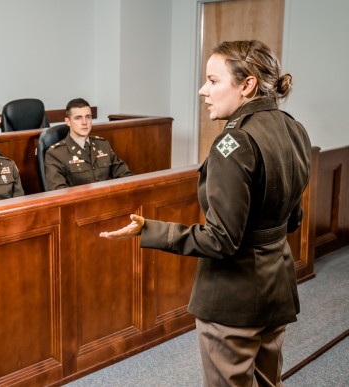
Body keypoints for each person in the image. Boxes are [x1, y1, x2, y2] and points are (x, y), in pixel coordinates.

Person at [100, 40, 311, 386]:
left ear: (247, 85)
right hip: (278, 286)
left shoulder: (235, 143)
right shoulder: (293, 128)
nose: (202, 90)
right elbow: (293, 220)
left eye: (213, 81)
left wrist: (149, 230)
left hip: (234, 296)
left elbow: (222, 240)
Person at [44, 98, 132, 190]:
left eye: (88, 117)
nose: (84, 122)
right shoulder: (56, 154)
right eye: (78, 118)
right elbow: (59, 193)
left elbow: (126, 176)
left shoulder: (102, 145)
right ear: (68, 121)